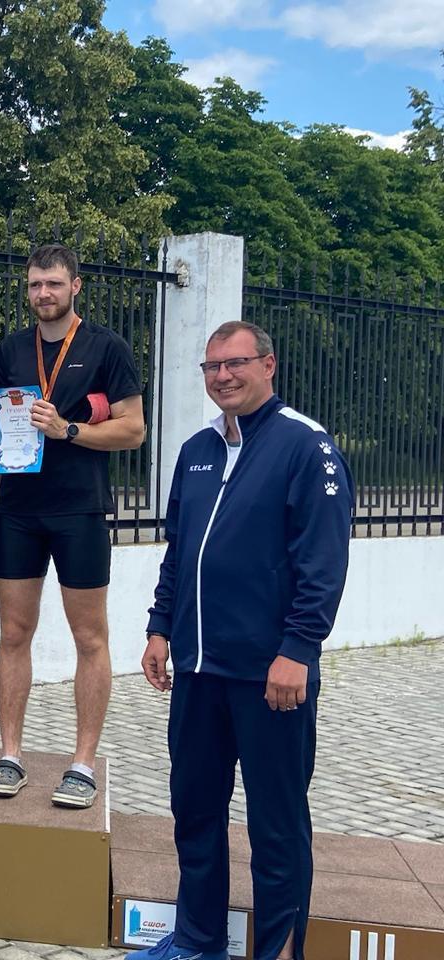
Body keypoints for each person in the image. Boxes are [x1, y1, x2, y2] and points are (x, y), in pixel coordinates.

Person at [132, 321, 352, 960]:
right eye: (212, 367)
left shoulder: (306, 446)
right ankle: (197, 942)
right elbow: (180, 553)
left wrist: (299, 650)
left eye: (236, 363)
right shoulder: (197, 450)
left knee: (276, 824)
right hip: (199, 671)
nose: (223, 376)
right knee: (195, 810)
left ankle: (279, 951)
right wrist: (159, 626)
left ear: (268, 365)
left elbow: (323, 563)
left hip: (270, 675)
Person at [0, 243, 145, 808]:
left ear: (76, 286)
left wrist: (68, 430)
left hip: (80, 510)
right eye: (34, 284)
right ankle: (10, 756)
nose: (43, 293)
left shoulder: (107, 348)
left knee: (89, 637)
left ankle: (82, 764)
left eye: (53, 283)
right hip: (19, 512)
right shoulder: (10, 350)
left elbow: (133, 430)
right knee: (13, 633)